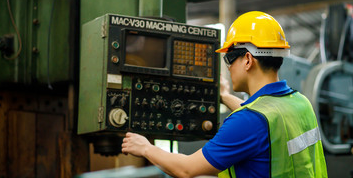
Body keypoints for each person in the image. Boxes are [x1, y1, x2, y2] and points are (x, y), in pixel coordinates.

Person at [122, 11, 328, 178]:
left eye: (229, 59)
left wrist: (145, 148)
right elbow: (266, 121)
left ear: (248, 60)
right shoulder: (300, 102)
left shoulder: (248, 121)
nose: (228, 68)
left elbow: (185, 169)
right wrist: (224, 96)